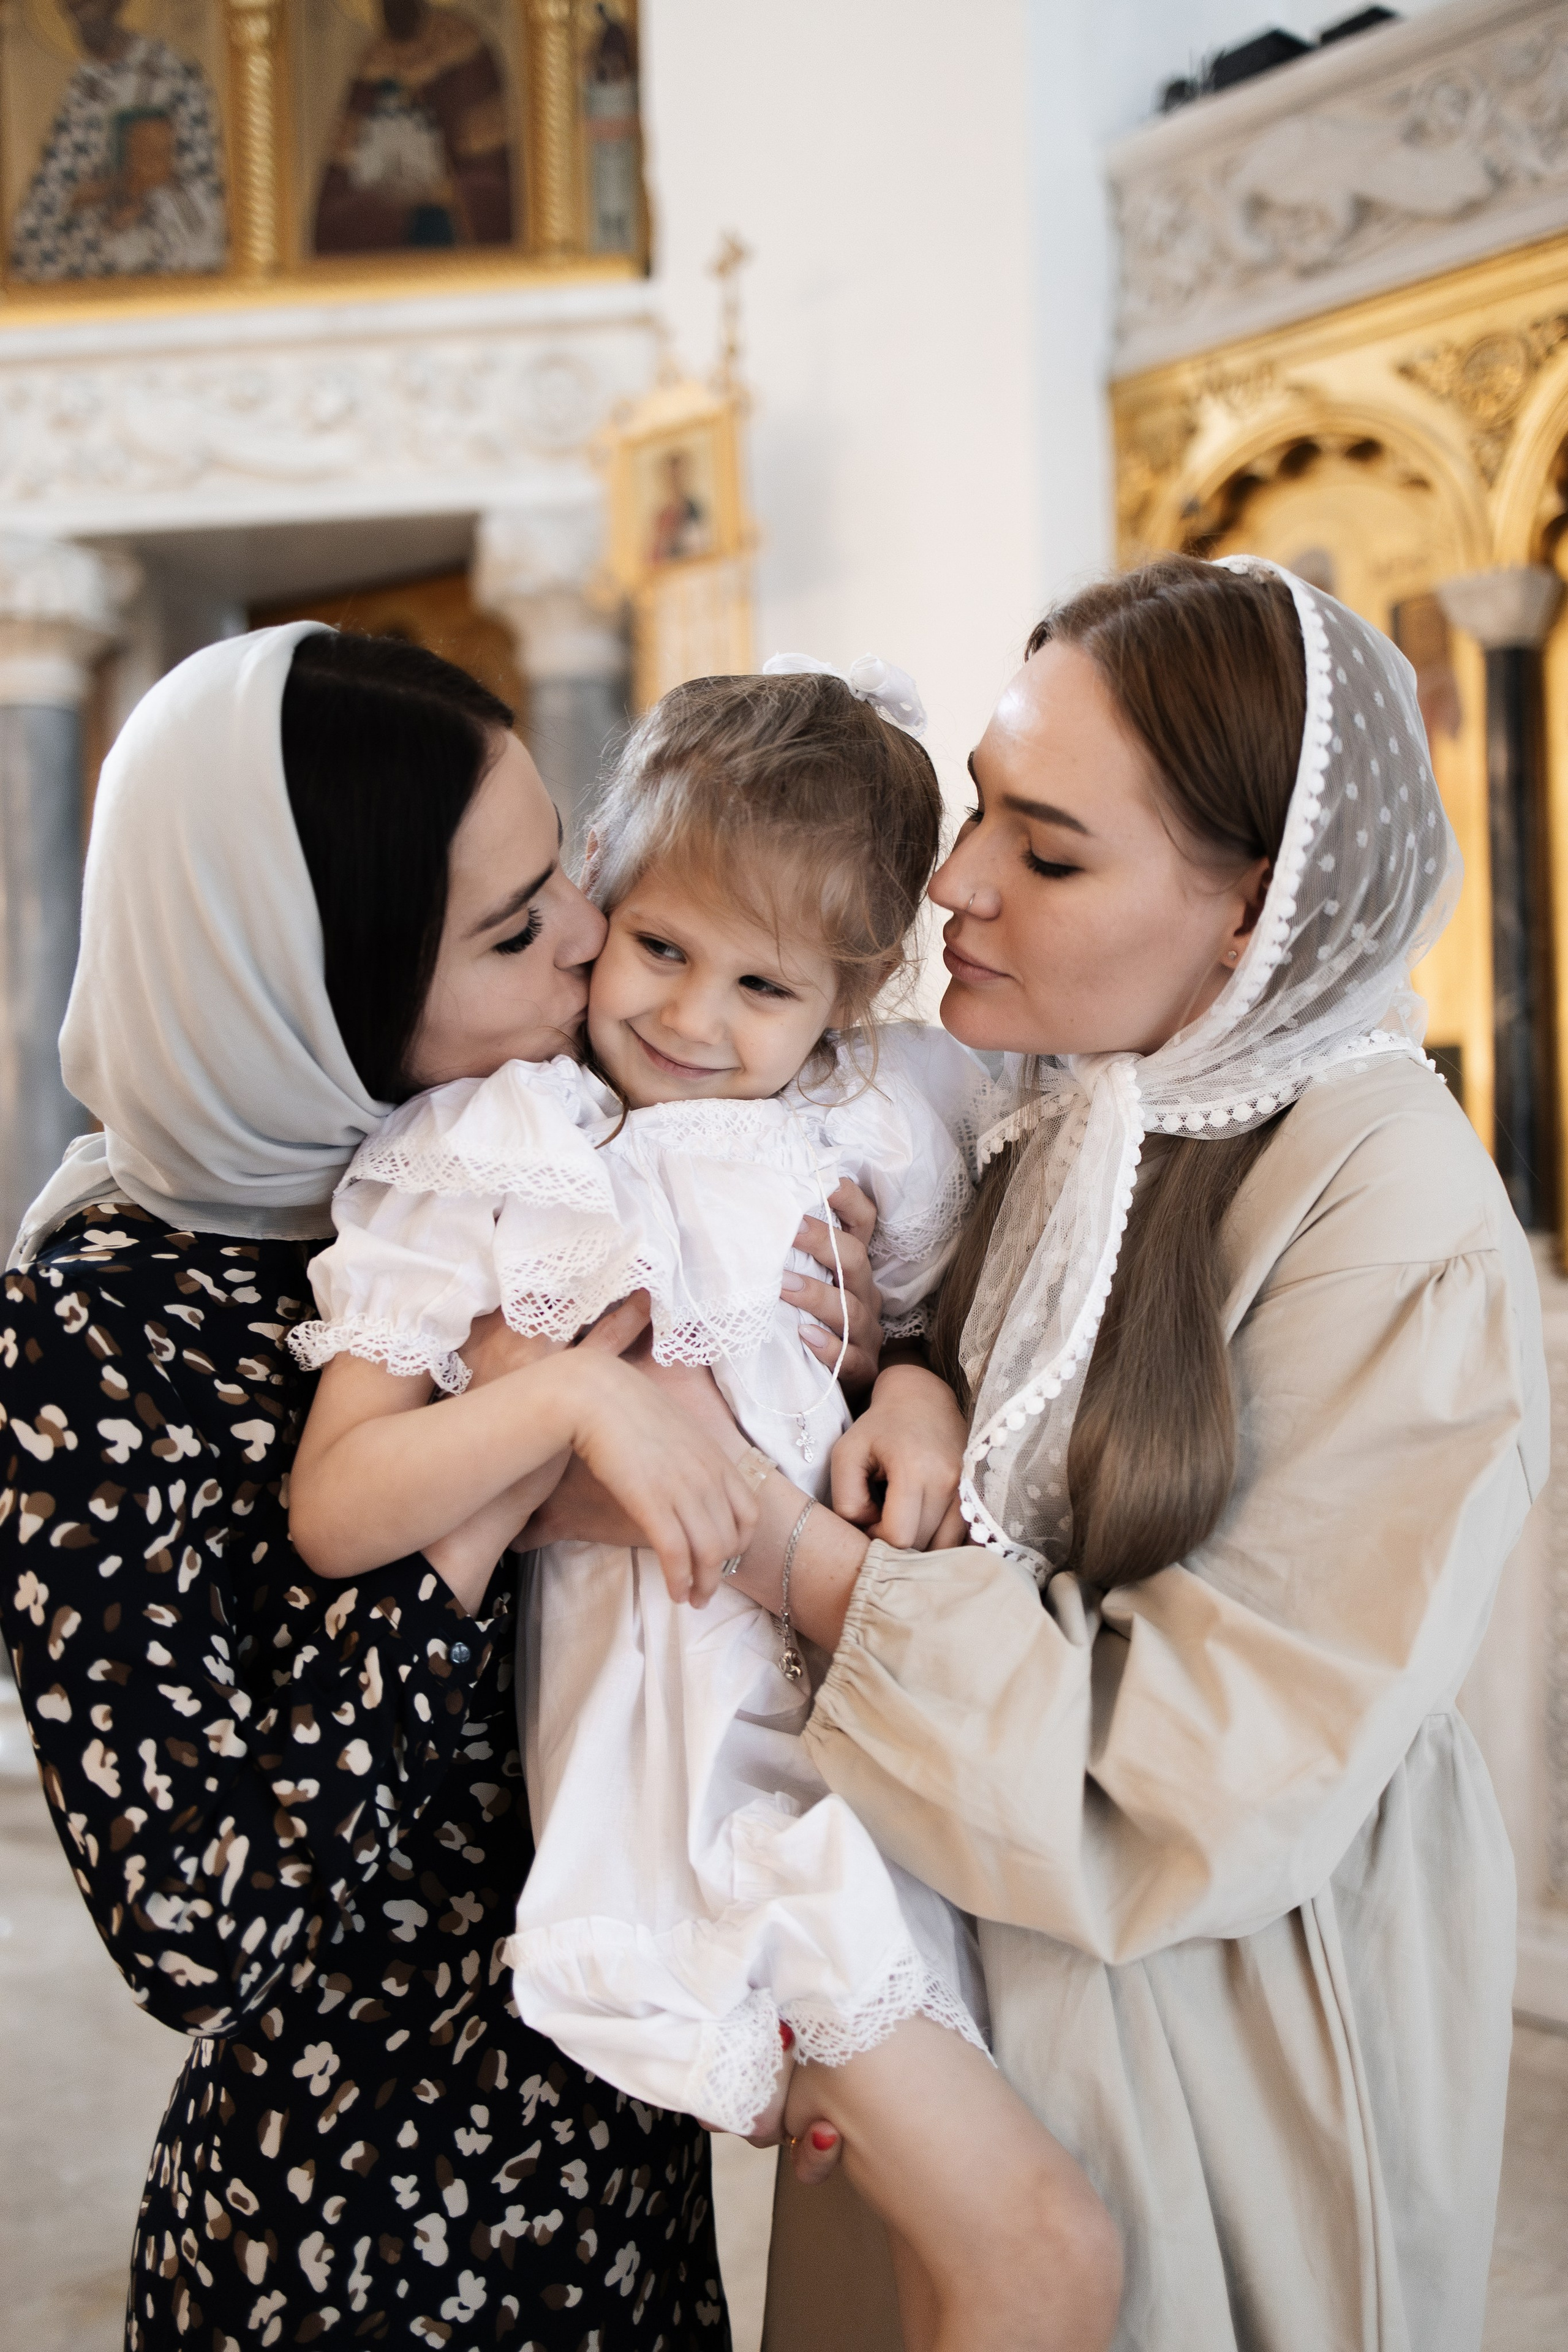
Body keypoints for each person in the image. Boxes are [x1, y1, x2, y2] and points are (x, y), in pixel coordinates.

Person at [518, 554, 1540, 2352]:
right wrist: (874, 1359)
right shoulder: (1040, 1101)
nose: (956, 884)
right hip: (938, 1938)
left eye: (1047, 851)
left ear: (1251, 915)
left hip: (1196, 2012)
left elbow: (1221, 1763)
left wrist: (774, 1540)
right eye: (977, 807)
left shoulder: (1389, 1210)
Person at [1, 625, 888, 2346]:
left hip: (624, 2179)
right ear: (315, 994)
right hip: (360, 2231)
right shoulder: (89, 1338)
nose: (591, 939)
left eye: (566, 867)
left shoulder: (544, 1159)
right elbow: (199, 1927)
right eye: (512, 929)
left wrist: (842, 1323)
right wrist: (510, 1471)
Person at [284, 654, 1120, 2352]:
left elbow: (955, 1304)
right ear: (600, 884)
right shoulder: (510, 1142)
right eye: (660, 948)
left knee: (977, 2259)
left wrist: (913, 1382)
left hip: (875, 1727)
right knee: (1040, 2251)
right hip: (695, 1790)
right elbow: (335, 1504)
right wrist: (573, 1398)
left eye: (762, 984)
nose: (690, 1018)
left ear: (850, 995)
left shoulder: (873, 1120)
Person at [9, 0, 226, 281]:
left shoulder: (172, 74)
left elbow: (204, 193)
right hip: (85, 260)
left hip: (154, 245)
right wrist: (105, 190)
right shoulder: (83, 88)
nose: (78, 12)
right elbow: (48, 197)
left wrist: (143, 200)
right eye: (73, 9)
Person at [313, 0, 513, 255]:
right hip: (389, 253)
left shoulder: (463, 48)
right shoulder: (373, 65)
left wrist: (447, 190)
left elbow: (493, 172)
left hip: (455, 240)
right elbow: (339, 191)